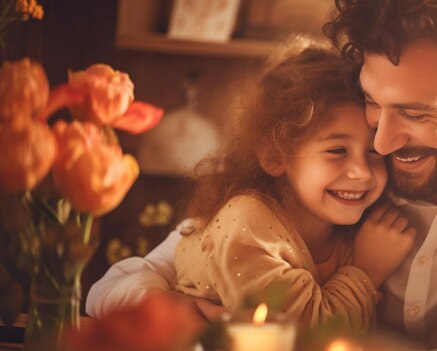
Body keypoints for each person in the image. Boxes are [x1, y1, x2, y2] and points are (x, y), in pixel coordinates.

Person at [88, 0, 437, 349]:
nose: (383, 143)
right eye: (372, 101)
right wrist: (181, 315)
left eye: (415, 112)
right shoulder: (344, 168)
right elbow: (124, 282)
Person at [89, 40, 417, 332]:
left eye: (374, 151)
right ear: (275, 155)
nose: (362, 171)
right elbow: (301, 338)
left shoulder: (359, 231)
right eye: (336, 150)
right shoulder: (246, 220)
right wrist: (365, 272)